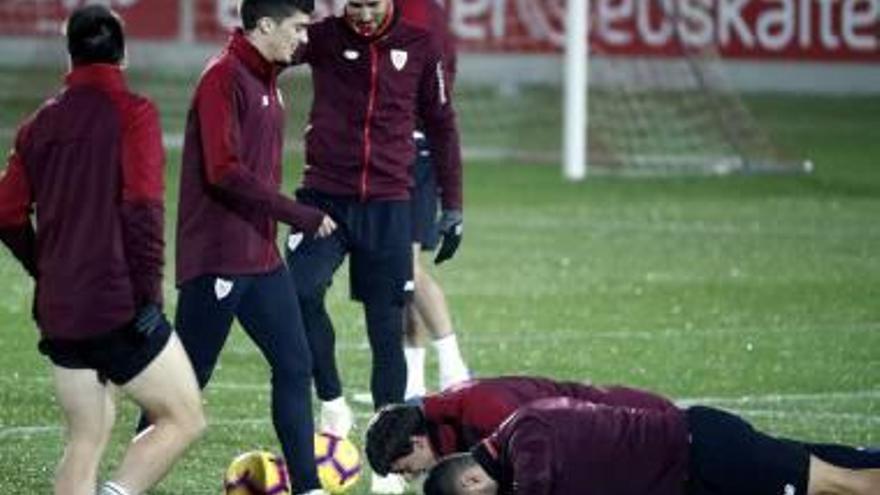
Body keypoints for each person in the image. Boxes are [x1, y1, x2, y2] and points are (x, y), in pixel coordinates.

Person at [0, 6, 205, 495]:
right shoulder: (134, 114)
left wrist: (44, 267)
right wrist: (149, 297)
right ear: (125, 55)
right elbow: (142, 212)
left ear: (69, 55)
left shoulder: (36, 127)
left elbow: (6, 214)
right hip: (116, 305)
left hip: (61, 310)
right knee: (184, 419)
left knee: (86, 438)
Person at [164, 0, 336, 493]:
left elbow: (323, 40)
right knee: (184, 385)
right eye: (298, 29)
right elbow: (223, 171)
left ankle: (309, 486)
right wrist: (297, 213)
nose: (304, 39)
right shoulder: (223, 77)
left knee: (295, 364)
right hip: (218, 255)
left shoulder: (267, 75)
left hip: (259, 255)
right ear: (265, 26)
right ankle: (128, 484)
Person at [286, 0, 463, 432]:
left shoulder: (421, 44)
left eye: (372, 4)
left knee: (387, 331)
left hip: (387, 205)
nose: (364, 15)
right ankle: (331, 401)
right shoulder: (323, 37)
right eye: (355, 5)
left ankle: (387, 455)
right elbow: (264, 53)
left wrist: (453, 204)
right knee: (298, 291)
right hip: (323, 200)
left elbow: (442, 125)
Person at [423, 397, 880, 495]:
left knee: (846, 486)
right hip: (696, 474)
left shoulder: (524, 433)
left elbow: (535, 486)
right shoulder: (518, 439)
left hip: (707, 452)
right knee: (845, 467)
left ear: (470, 478)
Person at [365, 376, 677, 478]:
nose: (407, 477)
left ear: (418, 443)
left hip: (638, 426)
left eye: (403, 468)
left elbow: (550, 458)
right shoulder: (452, 428)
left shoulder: (484, 413)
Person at [400, 0, 470, 401]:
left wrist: (453, 201)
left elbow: (442, 114)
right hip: (381, 154)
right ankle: (440, 371)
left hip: (411, 153)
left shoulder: (421, 17)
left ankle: (438, 373)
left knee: (401, 269)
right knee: (395, 271)